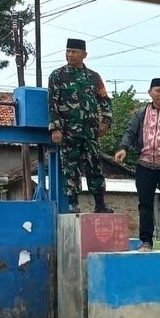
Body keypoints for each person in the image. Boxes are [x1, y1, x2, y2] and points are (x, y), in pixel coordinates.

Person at [114, 78, 160, 251]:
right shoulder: (140, 113)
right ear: (150, 92)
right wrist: (123, 148)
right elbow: (130, 132)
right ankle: (146, 241)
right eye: (158, 90)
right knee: (145, 204)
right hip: (144, 165)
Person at [47, 37, 113, 213]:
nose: (70, 55)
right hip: (68, 131)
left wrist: (106, 121)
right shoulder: (57, 75)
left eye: (74, 52)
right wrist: (55, 128)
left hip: (90, 131)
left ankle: (100, 203)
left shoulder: (93, 77)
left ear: (84, 54)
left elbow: (105, 100)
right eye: (68, 51)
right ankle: (72, 202)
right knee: (70, 166)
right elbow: (52, 103)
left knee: (95, 166)